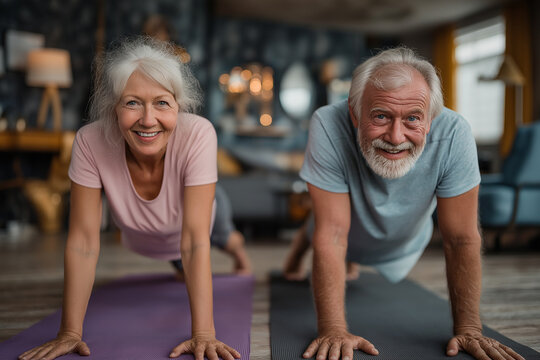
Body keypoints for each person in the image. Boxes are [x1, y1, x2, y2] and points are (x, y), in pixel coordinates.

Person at [283, 47, 525, 360]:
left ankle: (351, 259)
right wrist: (333, 328)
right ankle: (295, 259)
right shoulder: (328, 123)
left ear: (431, 119)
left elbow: (461, 238)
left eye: (412, 119)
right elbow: (331, 234)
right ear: (355, 113)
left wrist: (469, 328)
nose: (396, 137)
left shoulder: (455, 134)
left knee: (329, 225)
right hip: (342, 230)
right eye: (381, 116)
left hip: (405, 236)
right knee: (319, 221)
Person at [18, 36, 248, 360]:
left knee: (225, 235)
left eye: (162, 103)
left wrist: (204, 335)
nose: (148, 119)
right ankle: (180, 263)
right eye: (132, 103)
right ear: (114, 107)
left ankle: (240, 255)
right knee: (180, 261)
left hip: (203, 217)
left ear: (178, 106)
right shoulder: (90, 142)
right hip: (148, 233)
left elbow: (196, 239)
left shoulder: (198, 133)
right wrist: (69, 332)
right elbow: (83, 240)